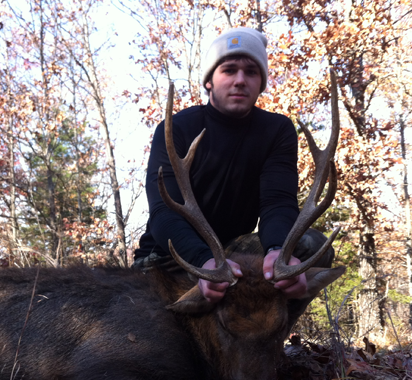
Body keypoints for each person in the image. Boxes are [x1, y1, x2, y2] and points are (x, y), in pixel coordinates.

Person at [133, 27, 333, 303]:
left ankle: (271, 339)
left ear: (261, 82)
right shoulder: (176, 128)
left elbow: (278, 202)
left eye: (251, 72)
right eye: (229, 70)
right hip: (169, 259)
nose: (240, 80)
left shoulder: (276, 131)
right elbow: (163, 212)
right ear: (209, 81)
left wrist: (277, 251)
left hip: (229, 256)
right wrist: (204, 262)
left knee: (312, 248)